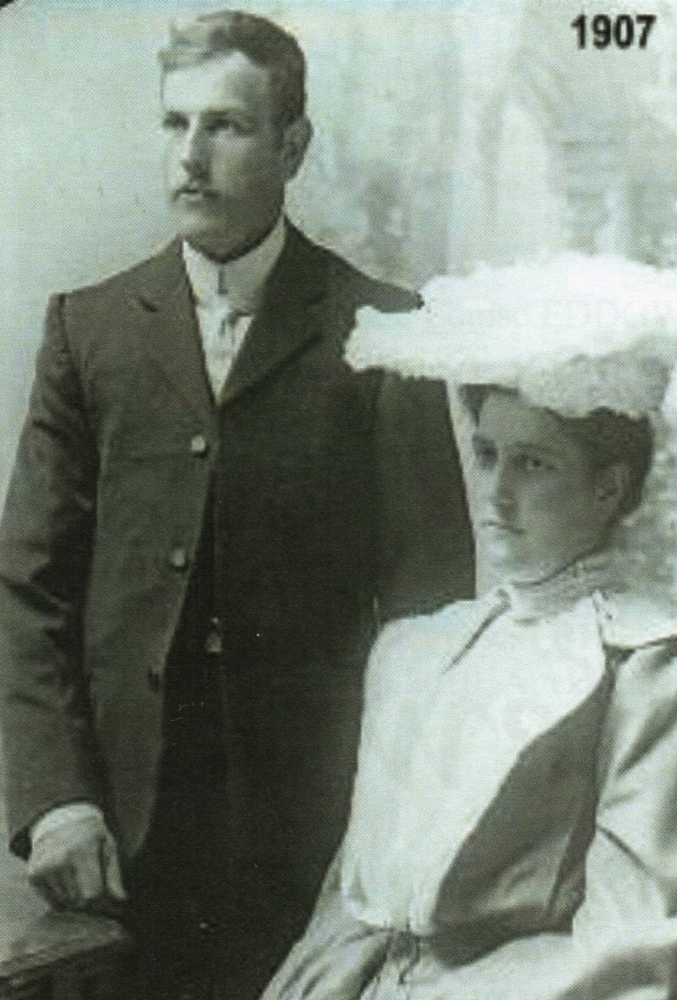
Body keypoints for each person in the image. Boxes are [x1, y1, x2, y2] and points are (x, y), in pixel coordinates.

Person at [0, 11, 473, 1000]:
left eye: (226, 126)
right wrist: (56, 800)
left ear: (292, 146)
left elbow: (432, 620)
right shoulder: (89, 330)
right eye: (175, 125)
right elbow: (29, 590)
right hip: (117, 837)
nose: (190, 155)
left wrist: (385, 843)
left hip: (314, 839)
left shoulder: (383, 333)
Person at [263, 255, 677, 1000]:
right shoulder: (423, 649)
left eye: (533, 464)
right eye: (486, 456)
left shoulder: (645, 670)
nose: (495, 493)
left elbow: (632, 942)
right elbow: (349, 900)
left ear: (607, 486)